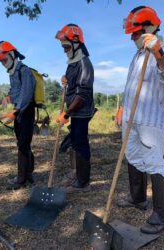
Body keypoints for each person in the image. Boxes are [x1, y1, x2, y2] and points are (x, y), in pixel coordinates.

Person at [118, 6, 164, 234]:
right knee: (132, 155)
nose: (132, 37)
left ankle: (162, 216)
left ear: (148, 28)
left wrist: (157, 53)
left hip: (150, 119)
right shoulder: (136, 55)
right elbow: (131, 86)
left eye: (135, 33)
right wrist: (122, 109)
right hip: (131, 118)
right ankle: (137, 199)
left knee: (153, 162)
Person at [55, 24, 95, 191]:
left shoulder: (85, 63)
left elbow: (83, 93)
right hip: (74, 111)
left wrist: (67, 112)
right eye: (62, 46)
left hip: (81, 111)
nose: (64, 49)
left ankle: (83, 181)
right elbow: (73, 85)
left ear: (76, 42)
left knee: (80, 143)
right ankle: (76, 173)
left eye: (66, 46)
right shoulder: (72, 63)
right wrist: (65, 80)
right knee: (75, 142)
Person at [0, 41, 36, 190]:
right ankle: (28, 174)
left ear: (11, 55)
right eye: (0, 61)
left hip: (26, 111)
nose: (3, 63)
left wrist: (16, 111)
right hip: (18, 111)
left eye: (4, 60)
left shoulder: (24, 70)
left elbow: (26, 93)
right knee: (23, 143)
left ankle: (21, 179)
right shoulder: (12, 72)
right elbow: (15, 90)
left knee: (23, 144)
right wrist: (8, 97)